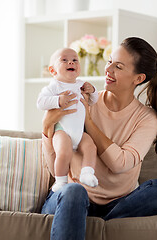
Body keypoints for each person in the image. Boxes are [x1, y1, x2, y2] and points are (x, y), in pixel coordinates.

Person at [41, 37, 157, 240]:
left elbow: (119, 164)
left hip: (118, 204)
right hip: (73, 199)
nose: (108, 70)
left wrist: (88, 120)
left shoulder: (146, 118)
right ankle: (90, 221)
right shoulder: (83, 98)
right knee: (73, 191)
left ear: (138, 78)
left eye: (119, 66)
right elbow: (55, 168)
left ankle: (97, 224)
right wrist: (46, 128)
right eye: (109, 62)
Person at [37, 48, 99, 191]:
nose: (71, 62)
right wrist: (58, 100)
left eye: (75, 60)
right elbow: (40, 102)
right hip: (61, 130)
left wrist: (93, 91)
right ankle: (60, 181)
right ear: (53, 71)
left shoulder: (81, 84)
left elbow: (93, 101)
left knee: (91, 147)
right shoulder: (54, 86)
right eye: (64, 60)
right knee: (64, 152)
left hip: (79, 131)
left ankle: (87, 173)